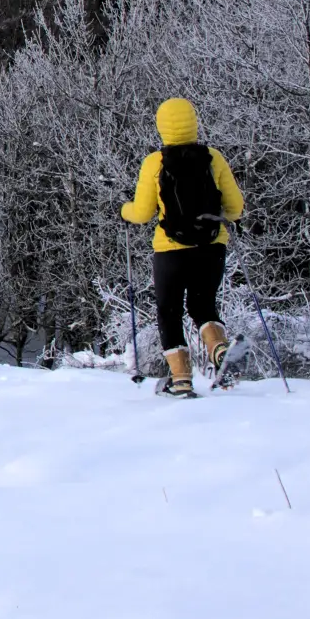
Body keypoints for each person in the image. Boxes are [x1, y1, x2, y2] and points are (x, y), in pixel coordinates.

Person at [120, 98, 244, 396]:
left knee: (170, 312)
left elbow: (142, 213)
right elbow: (236, 208)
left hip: (170, 251)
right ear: (194, 121)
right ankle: (220, 351)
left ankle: (181, 380)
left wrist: (124, 210)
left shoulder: (155, 163)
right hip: (212, 248)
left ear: (161, 127)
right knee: (203, 306)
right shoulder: (213, 158)